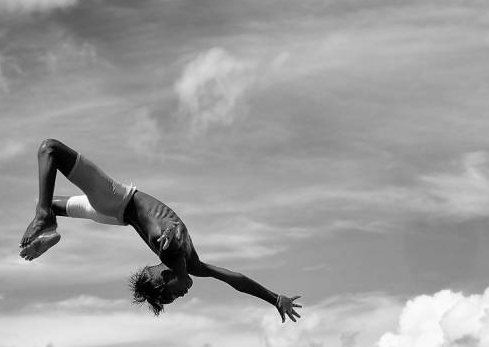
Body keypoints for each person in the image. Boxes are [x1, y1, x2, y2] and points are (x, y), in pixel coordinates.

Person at [18, 137, 301, 321]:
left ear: (164, 277)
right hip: (116, 215)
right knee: (46, 195)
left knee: (49, 150)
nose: (183, 295)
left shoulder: (170, 250)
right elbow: (235, 279)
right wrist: (274, 298)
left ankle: (45, 219)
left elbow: (166, 235)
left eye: (173, 294)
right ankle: (46, 217)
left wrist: (167, 234)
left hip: (115, 200)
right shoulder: (192, 265)